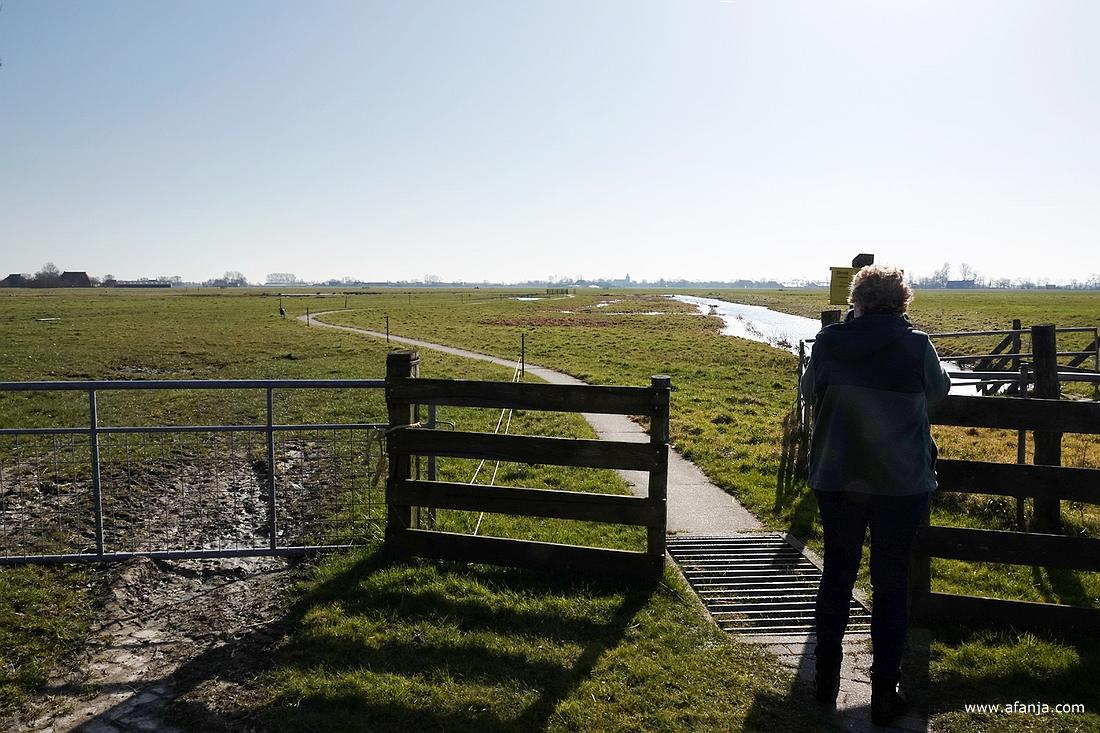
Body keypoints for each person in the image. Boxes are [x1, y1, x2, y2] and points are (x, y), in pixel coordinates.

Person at [799, 265, 950, 725]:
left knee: (837, 575)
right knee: (890, 583)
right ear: (903, 302)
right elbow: (940, 392)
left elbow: (810, 391)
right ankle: (885, 691)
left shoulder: (829, 342)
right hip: (900, 483)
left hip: (839, 477)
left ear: (856, 300)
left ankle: (825, 681)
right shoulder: (917, 345)